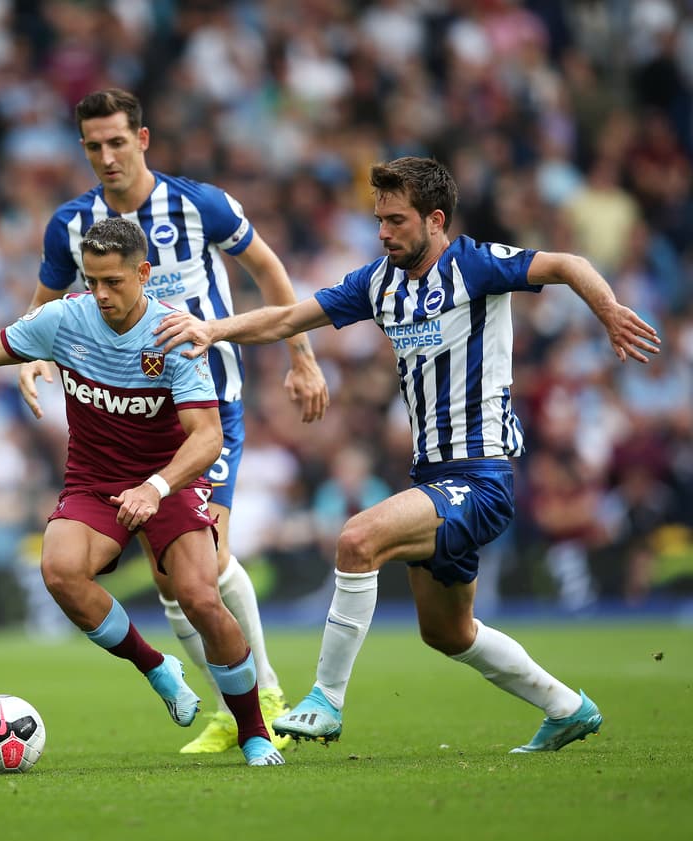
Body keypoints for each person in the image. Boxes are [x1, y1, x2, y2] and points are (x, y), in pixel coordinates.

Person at [155, 156, 661, 753]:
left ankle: (324, 701)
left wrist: (608, 312)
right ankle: (568, 707)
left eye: (395, 220)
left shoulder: (476, 265)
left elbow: (568, 264)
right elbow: (291, 317)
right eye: (378, 219)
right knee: (448, 632)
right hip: (433, 475)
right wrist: (214, 330)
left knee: (357, 539)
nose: (383, 232)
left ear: (435, 220)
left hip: (482, 475)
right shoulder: (380, 282)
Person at [0, 217, 285, 767]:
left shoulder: (175, 335)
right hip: (94, 481)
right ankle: (157, 668)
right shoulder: (63, 319)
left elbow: (208, 438)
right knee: (60, 572)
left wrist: (156, 485)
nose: (101, 293)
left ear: (143, 273)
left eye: (113, 282)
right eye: (92, 280)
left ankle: (254, 731)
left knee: (201, 599)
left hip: (168, 480)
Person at [17, 88, 329, 755]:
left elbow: (268, 269)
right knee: (174, 577)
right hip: (128, 416)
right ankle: (236, 699)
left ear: (144, 139)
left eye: (117, 142)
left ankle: (259, 694)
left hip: (205, 408)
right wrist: (31, 360)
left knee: (201, 563)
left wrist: (300, 355)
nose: (106, 157)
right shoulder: (72, 226)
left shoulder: (198, 204)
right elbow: (40, 306)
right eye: (94, 146)